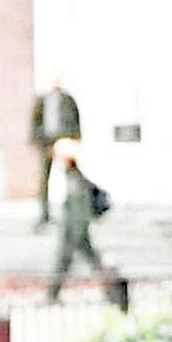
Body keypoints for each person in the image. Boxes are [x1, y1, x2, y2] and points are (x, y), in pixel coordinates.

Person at [45, 137, 123, 305]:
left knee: (67, 261)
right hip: (76, 227)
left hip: (74, 228)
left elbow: (78, 208)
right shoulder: (73, 175)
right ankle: (112, 292)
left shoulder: (74, 177)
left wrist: (76, 230)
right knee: (90, 261)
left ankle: (113, 292)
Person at [30, 81, 82, 226]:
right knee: (44, 178)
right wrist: (36, 139)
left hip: (63, 140)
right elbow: (35, 120)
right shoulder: (42, 100)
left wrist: (76, 138)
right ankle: (44, 213)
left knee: (71, 176)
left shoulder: (67, 99)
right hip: (46, 142)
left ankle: (73, 210)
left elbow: (76, 119)